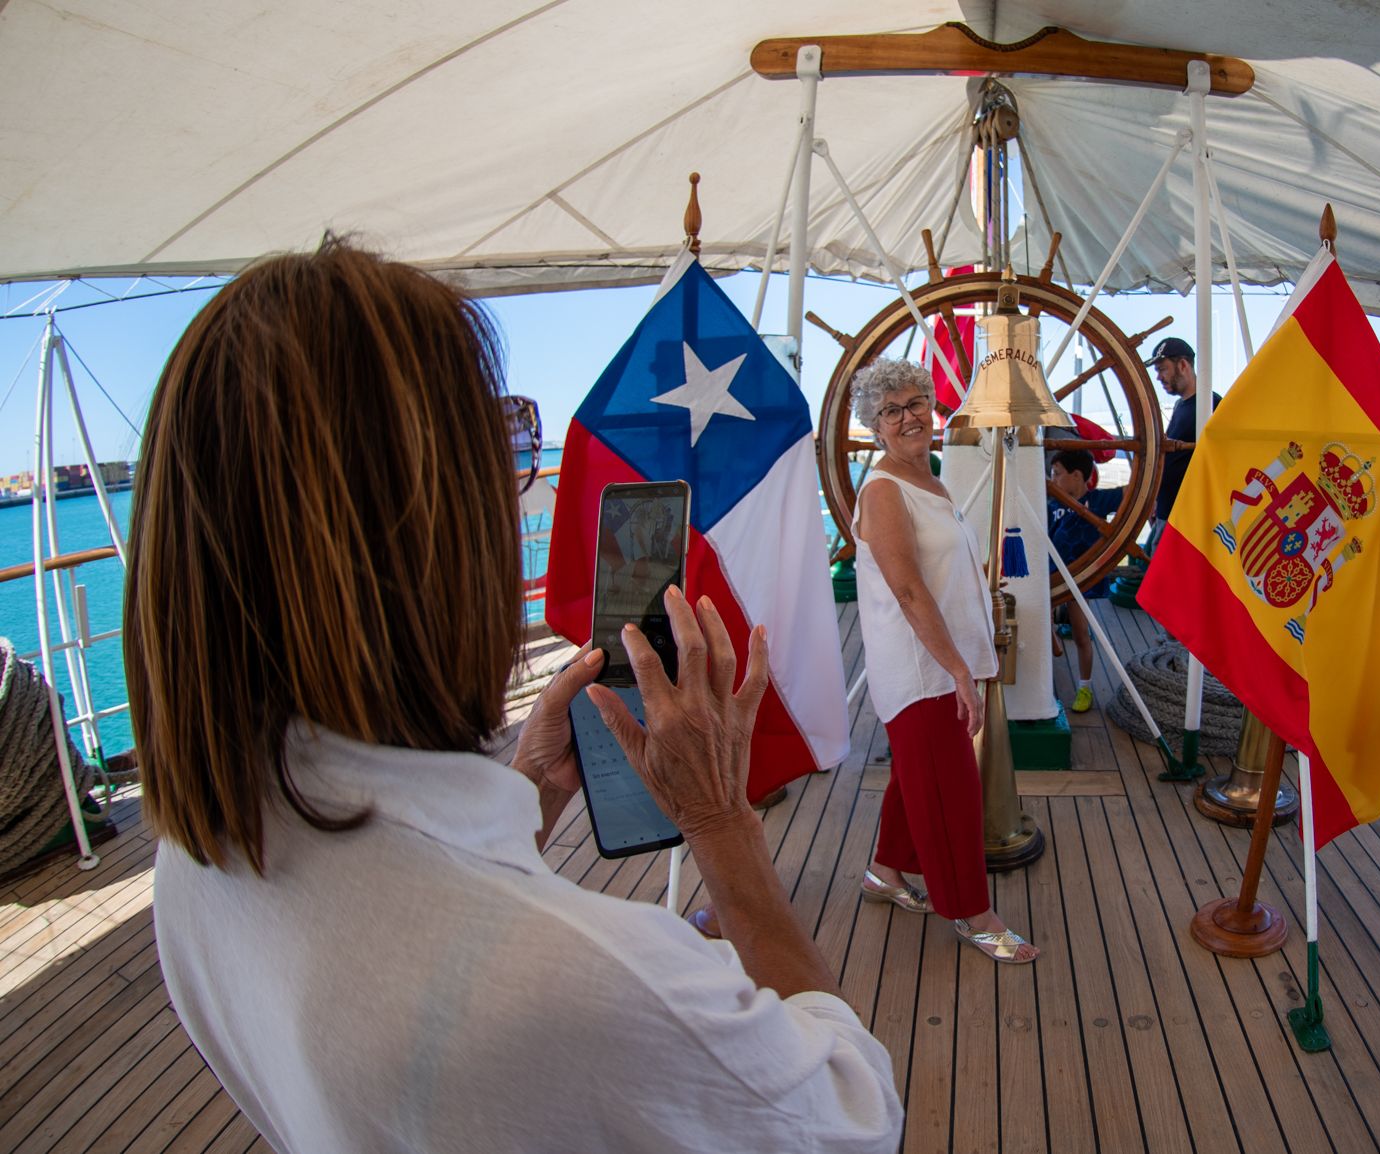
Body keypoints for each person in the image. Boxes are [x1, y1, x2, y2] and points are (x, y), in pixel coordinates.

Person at [125, 240, 901, 1154]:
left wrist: (526, 791)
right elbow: (853, 1119)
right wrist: (723, 827)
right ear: (429, 534)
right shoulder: (594, 985)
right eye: (501, 450)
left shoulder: (197, 870)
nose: (518, 488)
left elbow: (406, 928)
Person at [848, 359, 1038, 965]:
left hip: (943, 658)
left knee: (915, 778)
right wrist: (958, 669)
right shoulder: (883, 492)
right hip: (921, 669)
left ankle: (884, 874)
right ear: (875, 426)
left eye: (915, 403)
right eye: (892, 411)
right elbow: (908, 591)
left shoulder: (929, 480)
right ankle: (973, 914)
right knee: (951, 790)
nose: (908, 418)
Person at [1047, 449, 1124, 713]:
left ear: (1077, 475)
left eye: (1056, 474)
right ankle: (1044, 682)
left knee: (1081, 634)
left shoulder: (1099, 501)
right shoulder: (1051, 505)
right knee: (1040, 630)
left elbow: (1132, 495)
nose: (1051, 479)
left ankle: (1085, 687)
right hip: (1051, 580)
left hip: (1079, 581)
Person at [1147, 336, 1223, 527]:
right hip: (1168, 514)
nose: (1158, 377)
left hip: (1188, 521)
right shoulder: (1181, 406)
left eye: (1162, 369)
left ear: (1182, 365)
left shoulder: (1211, 406)